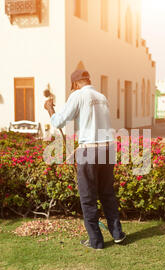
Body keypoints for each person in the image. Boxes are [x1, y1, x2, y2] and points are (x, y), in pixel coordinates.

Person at [44, 70, 126, 250]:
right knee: (107, 194)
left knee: (88, 197)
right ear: (89, 80)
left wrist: (50, 109)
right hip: (107, 149)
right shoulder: (101, 96)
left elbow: (59, 122)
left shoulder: (78, 95)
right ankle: (118, 234)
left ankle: (96, 241)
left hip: (89, 152)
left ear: (74, 84)